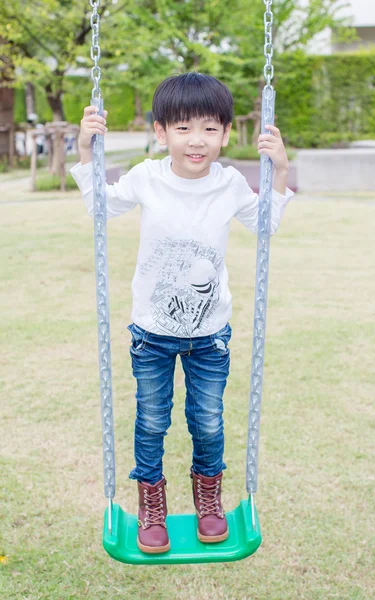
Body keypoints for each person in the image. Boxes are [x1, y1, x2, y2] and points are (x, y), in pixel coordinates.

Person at [71, 72, 293, 555]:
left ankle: (208, 502)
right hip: (152, 333)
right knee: (152, 420)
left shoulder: (230, 182)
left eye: (211, 129)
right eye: (184, 128)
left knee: (208, 421)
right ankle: (152, 504)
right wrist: (88, 154)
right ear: (161, 132)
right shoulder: (148, 177)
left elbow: (265, 225)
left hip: (210, 335)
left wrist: (280, 170)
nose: (197, 141)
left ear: (227, 134)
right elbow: (102, 210)